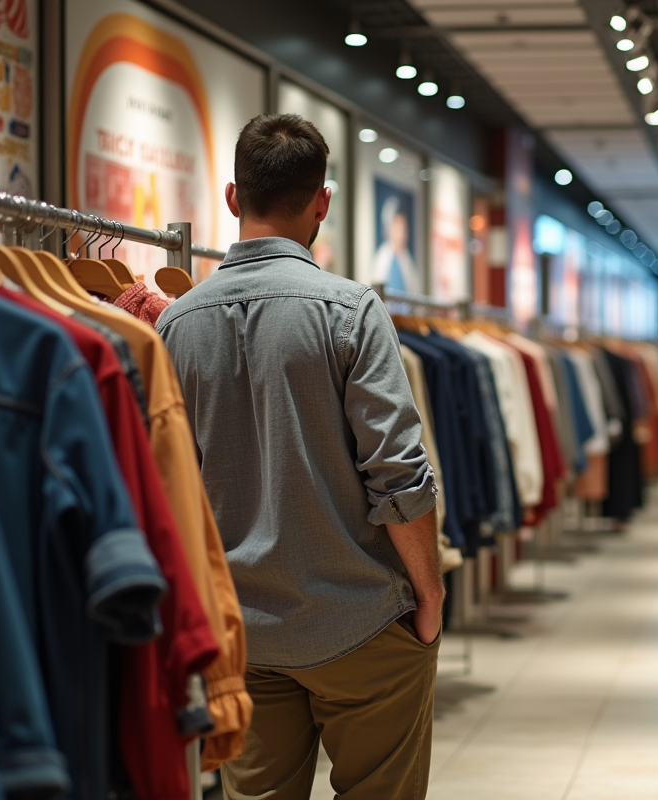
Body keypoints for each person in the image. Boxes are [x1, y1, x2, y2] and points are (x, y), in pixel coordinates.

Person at [157, 114, 443, 800]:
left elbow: (165, 483)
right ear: (323, 203)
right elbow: (398, 471)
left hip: (244, 634)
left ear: (232, 198)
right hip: (362, 621)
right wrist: (429, 594)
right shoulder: (351, 310)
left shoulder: (175, 323)